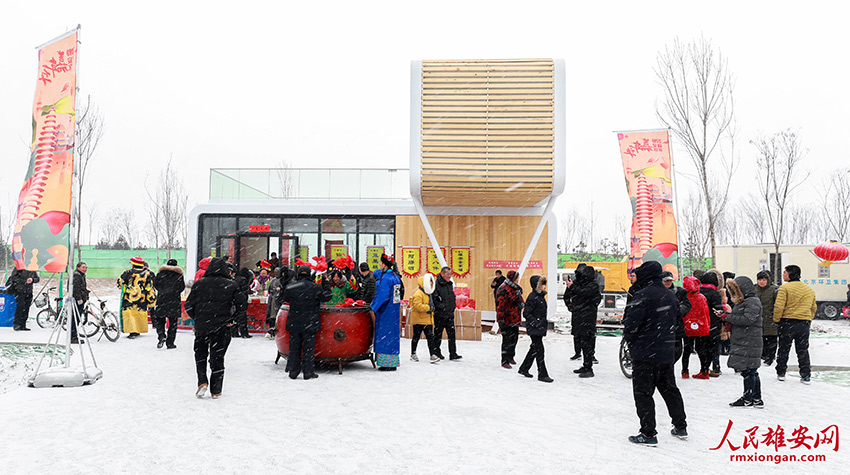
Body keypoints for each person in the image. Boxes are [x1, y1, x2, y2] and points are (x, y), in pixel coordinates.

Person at [623, 261, 687, 445]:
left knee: (643, 393)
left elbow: (631, 324)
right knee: (669, 389)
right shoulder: (670, 296)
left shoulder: (641, 295)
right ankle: (680, 425)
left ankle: (648, 433)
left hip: (644, 353)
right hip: (666, 351)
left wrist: (633, 342)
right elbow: (676, 322)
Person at [185, 257, 242, 398]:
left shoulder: (199, 284)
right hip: (221, 326)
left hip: (202, 325)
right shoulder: (232, 285)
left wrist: (197, 317)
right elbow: (241, 306)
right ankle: (216, 390)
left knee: (200, 354)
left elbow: (188, 305)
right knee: (218, 356)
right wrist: (232, 320)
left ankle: (202, 381)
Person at [282, 265, 332, 380]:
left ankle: (293, 372)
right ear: (310, 274)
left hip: (294, 322)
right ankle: (308, 372)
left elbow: (285, 299)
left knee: (294, 348)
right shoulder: (316, 287)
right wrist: (325, 282)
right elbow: (327, 297)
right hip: (310, 322)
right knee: (308, 349)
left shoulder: (291, 287)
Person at [774, 264, 817, 384]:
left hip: (787, 322)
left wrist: (777, 320)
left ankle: (781, 372)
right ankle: (805, 375)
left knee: (783, 348)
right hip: (803, 324)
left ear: (789, 274)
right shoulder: (809, 289)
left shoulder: (784, 288)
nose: (783, 274)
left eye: (784, 272)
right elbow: (813, 308)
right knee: (803, 350)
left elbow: (779, 307)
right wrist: (808, 320)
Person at [725, 277, 764, 407]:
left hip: (749, 340)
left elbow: (747, 319)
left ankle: (748, 398)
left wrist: (728, 316)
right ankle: (756, 399)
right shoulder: (747, 301)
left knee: (748, 370)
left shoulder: (752, 301)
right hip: (746, 339)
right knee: (751, 370)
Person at [563, 264, 602, 377]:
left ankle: (589, 368)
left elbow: (585, 293)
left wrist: (572, 287)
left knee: (588, 343)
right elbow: (569, 296)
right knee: (582, 341)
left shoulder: (593, 286)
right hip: (579, 317)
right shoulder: (579, 284)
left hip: (587, 319)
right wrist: (571, 307)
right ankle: (585, 365)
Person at [518, 275, 552, 383]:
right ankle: (542, 374)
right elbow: (526, 313)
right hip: (535, 328)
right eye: (542, 284)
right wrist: (535, 322)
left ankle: (524, 368)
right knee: (539, 350)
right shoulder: (533, 297)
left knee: (534, 348)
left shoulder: (540, 296)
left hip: (539, 327)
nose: (544, 286)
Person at [371, 254, 403, 370]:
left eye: (381, 263)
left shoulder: (386, 279)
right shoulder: (396, 277)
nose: (379, 265)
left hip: (385, 312)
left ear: (384, 265)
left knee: (384, 336)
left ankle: (386, 363)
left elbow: (382, 296)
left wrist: (373, 307)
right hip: (393, 311)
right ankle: (392, 362)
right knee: (392, 336)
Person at [117, 256, 156, 339]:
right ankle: (138, 329)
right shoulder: (147, 273)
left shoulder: (128, 273)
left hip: (129, 298)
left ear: (133, 264)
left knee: (130, 314)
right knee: (139, 312)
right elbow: (149, 286)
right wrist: (150, 297)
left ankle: (132, 331)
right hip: (142, 297)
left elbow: (120, 283)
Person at [680, 276, 710, 379]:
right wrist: (707, 326)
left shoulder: (684, 297)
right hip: (700, 327)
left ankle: (685, 371)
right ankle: (704, 371)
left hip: (687, 327)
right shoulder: (701, 298)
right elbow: (706, 314)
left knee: (687, 350)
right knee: (701, 349)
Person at [153, 259, 185, 349]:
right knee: (173, 323)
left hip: (161, 300)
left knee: (160, 320)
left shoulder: (160, 274)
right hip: (174, 301)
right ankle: (170, 343)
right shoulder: (179, 275)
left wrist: (163, 291)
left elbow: (155, 285)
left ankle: (161, 336)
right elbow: (181, 287)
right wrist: (174, 292)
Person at [432, 266, 462, 360]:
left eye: (450, 274)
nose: (449, 276)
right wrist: (443, 307)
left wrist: (452, 307)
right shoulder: (436, 284)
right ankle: (437, 352)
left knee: (452, 335)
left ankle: (453, 354)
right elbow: (435, 299)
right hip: (440, 315)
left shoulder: (450, 284)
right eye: (448, 274)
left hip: (449, 314)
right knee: (438, 335)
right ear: (442, 274)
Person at [698, 271, 724, 377]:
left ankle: (703, 368)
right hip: (712, 324)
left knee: (701, 347)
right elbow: (719, 310)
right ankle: (708, 368)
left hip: (700, 324)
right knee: (712, 347)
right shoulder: (715, 293)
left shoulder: (698, 292)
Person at [409, 273, 439, 363]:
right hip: (419, 320)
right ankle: (413, 353)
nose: (431, 283)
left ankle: (432, 354)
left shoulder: (428, 294)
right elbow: (418, 306)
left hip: (427, 320)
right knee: (416, 337)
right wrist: (429, 308)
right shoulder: (418, 294)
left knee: (430, 338)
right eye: (430, 281)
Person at [495, 270, 523, 368]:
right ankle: (504, 360)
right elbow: (500, 305)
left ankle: (511, 356)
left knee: (514, 338)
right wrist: (501, 318)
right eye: (516, 278)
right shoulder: (503, 289)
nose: (518, 280)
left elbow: (519, 300)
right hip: (506, 319)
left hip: (515, 318)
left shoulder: (516, 288)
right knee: (507, 340)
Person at [662, 271, 691, 363]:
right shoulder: (657, 292)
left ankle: (669, 366)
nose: (668, 282)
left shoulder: (680, 291)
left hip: (676, 325)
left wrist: (678, 311)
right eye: (665, 280)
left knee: (677, 351)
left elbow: (687, 305)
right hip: (661, 326)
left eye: (670, 280)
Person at [755, 270, 778, 366]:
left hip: (770, 319)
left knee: (771, 339)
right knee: (760, 339)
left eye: (764, 280)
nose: (761, 282)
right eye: (759, 280)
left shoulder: (774, 290)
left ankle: (770, 357)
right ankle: (762, 355)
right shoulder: (754, 289)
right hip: (757, 319)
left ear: (768, 280)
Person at [9, 267, 39, 331]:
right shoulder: (19, 266)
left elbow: (37, 279)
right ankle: (17, 324)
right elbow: (14, 277)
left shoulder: (32, 268)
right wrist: (24, 281)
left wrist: (32, 280)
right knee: (20, 306)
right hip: (19, 290)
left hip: (29, 291)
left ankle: (23, 324)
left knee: (26, 307)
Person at [71, 262, 89, 344]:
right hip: (77, 301)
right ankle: (73, 337)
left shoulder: (81, 275)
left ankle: (73, 335)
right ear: (78, 268)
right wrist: (78, 299)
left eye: (86, 267)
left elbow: (82, 287)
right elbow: (75, 288)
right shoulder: (76, 275)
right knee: (75, 318)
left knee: (76, 318)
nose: (85, 269)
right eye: (83, 267)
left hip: (80, 299)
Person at [233, 267, 254, 338]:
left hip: (235, 300)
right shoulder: (244, 280)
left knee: (235, 316)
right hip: (241, 301)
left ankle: (234, 332)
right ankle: (244, 333)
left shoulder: (236, 278)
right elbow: (244, 292)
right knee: (242, 317)